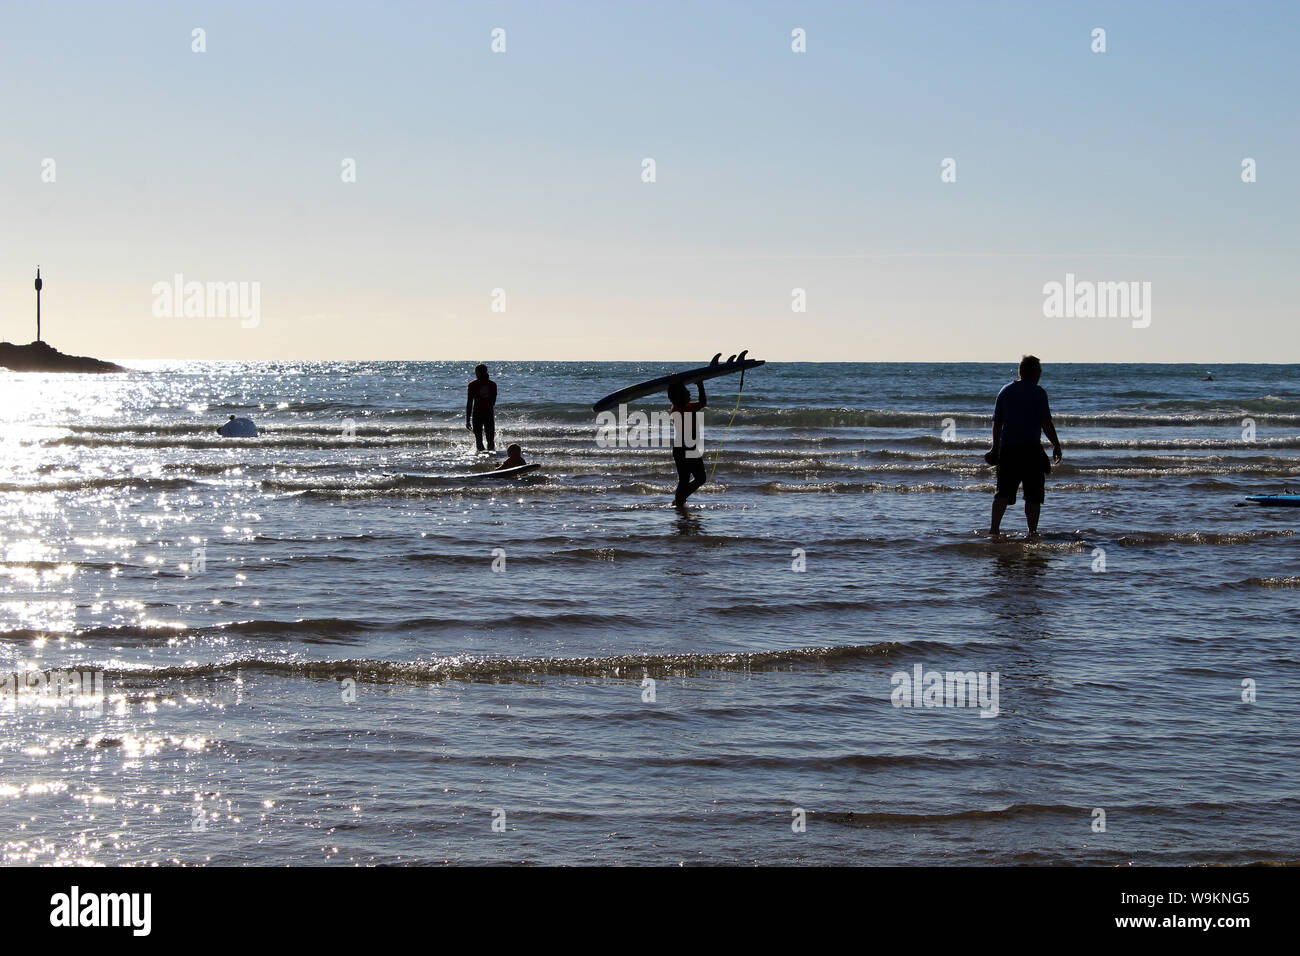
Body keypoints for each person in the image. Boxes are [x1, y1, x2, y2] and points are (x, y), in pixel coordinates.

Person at [988, 355, 1063, 536]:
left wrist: (995, 447)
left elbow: (997, 423)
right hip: (1031, 450)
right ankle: (1032, 531)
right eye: (1039, 371)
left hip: (1008, 450)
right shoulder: (1038, 393)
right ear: (1035, 372)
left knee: (1003, 493)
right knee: (1033, 495)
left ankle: (994, 529)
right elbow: (1046, 423)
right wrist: (1056, 444)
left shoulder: (1005, 391)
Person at [666, 378, 707, 506]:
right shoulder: (676, 410)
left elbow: (703, 402)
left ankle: (679, 500)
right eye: (686, 392)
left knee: (697, 479)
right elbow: (674, 395)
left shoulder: (690, 407)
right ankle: (679, 501)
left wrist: (700, 385)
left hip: (689, 447)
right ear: (679, 397)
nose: (689, 393)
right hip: (683, 448)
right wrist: (676, 382)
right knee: (689, 479)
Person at [466, 364, 497, 452]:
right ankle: (491, 458)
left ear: (478, 372)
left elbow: (469, 403)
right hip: (488, 413)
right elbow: (493, 402)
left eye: (476, 372)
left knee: (479, 439)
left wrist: (467, 420)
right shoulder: (492, 384)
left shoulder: (472, 384)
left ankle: (481, 459)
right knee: (490, 439)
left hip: (477, 414)